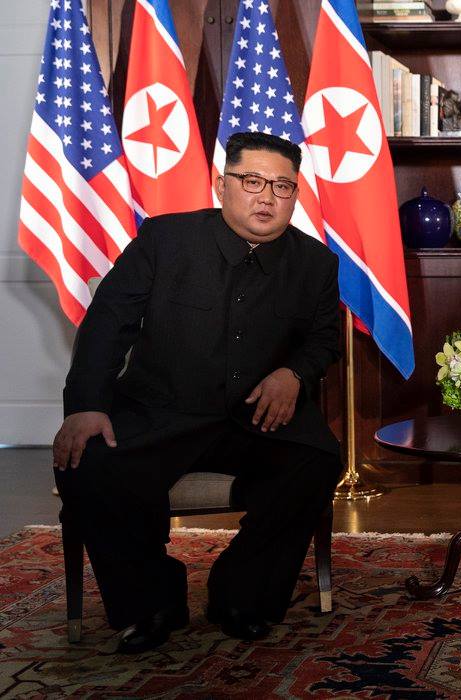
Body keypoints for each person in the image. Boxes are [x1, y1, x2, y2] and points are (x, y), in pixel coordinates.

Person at [52, 131, 343, 654]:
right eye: (252, 181)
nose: (267, 197)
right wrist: (88, 406)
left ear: (296, 195)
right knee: (88, 460)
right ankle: (152, 603)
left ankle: (241, 595)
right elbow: (107, 323)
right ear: (221, 184)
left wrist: (295, 374)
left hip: (254, 416)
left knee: (317, 459)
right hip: (161, 409)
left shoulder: (315, 263)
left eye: (283, 186)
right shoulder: (165, 240)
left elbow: (323, 338)